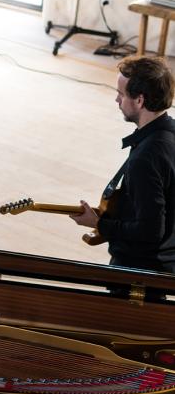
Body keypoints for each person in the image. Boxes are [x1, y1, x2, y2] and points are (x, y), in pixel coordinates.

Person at [71, 55, 175, 273]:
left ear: (139, 100)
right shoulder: (170, 132)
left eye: (121, 94)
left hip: (141, 269)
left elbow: (150, 231)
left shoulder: (145, 158)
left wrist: (99, 224)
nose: (117, 100)